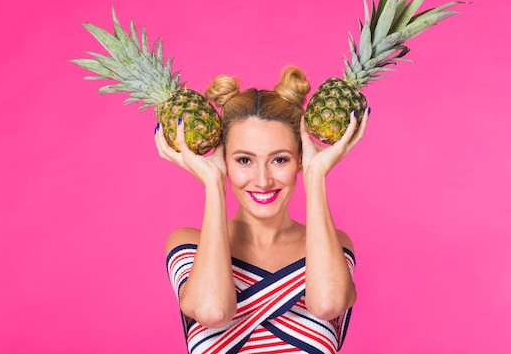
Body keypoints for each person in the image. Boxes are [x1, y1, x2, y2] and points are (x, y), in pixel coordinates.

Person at [156, 66, 369, 353]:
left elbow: (327, 303)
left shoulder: (334, 244)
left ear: (299, 159)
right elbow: (212, 311)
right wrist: (213, 184)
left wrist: (316, 175)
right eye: (244, 160)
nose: (262, 180)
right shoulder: (187, 245)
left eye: (279, 160)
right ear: (224, 160)